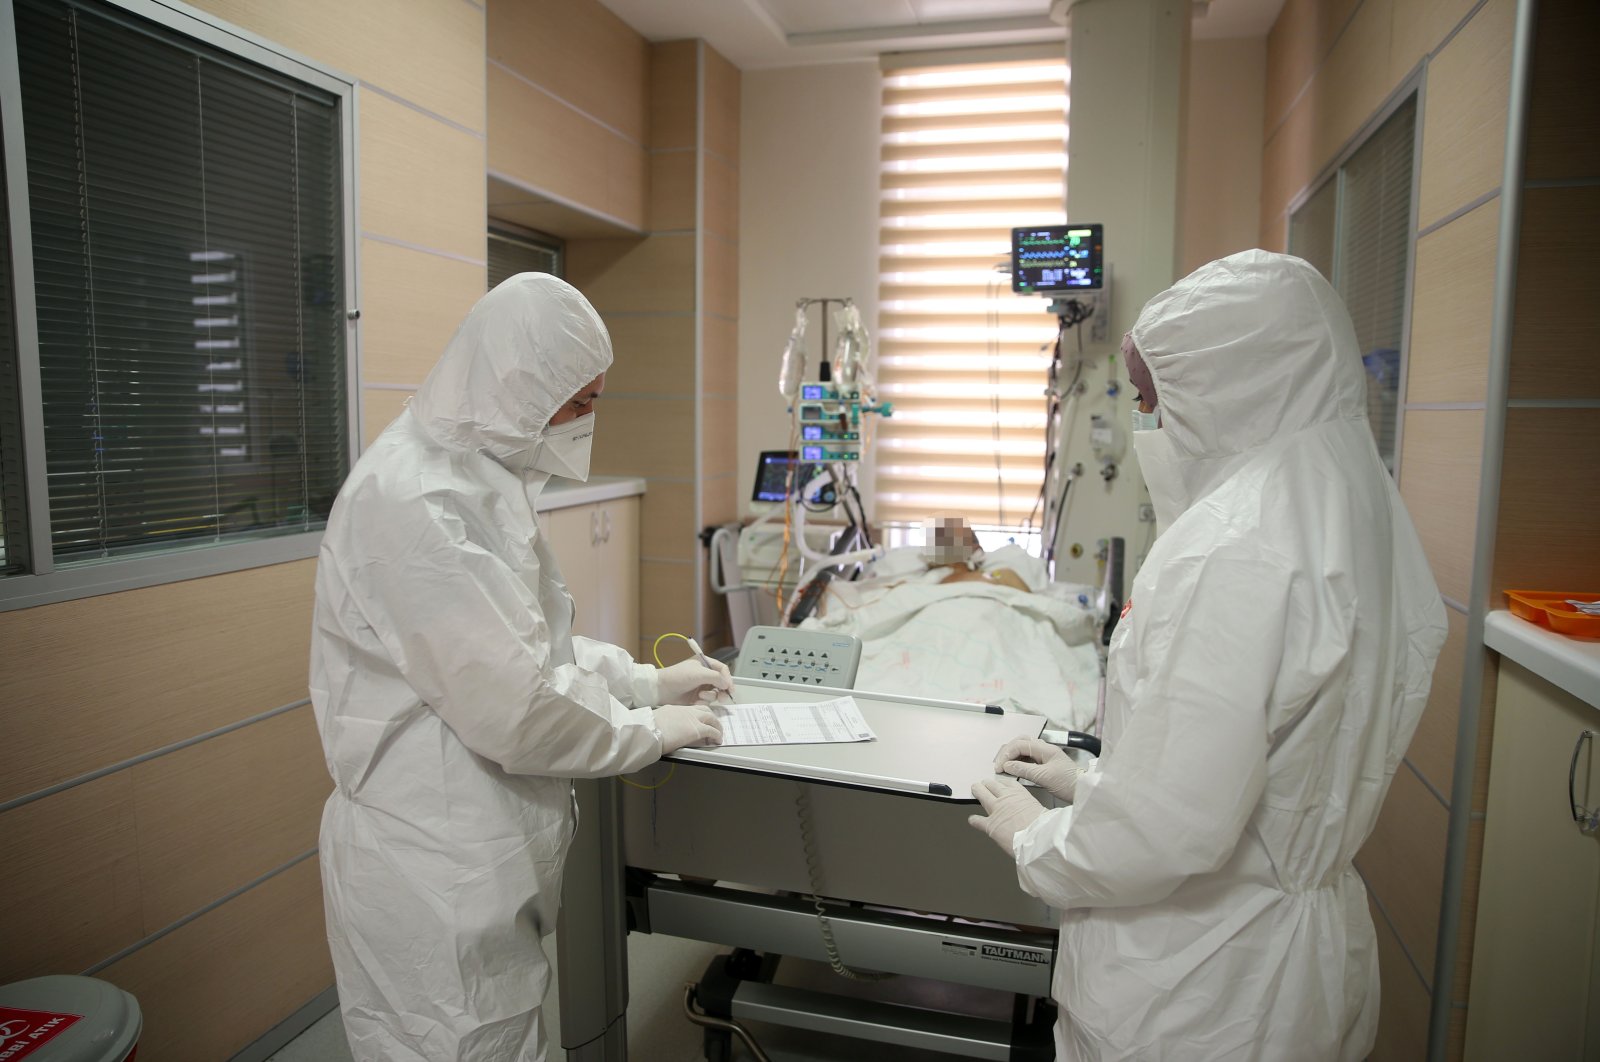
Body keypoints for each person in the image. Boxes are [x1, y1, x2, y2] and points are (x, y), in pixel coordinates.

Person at [968, 250, 1447, 1060]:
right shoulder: (1353, 504)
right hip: (1290, 953)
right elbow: (1261, 766)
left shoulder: (1233, 546)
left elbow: (1167, 831)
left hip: (1197, 986)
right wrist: (1091, 783)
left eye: (1157, 400)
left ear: (1229, 386)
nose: (1148, 423)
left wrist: (1037, 838)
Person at [309, 273, 731, 1062]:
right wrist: (648, 730)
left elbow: (528, 643)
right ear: (514, 387)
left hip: (471, 853)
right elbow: (518, 706)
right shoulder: (415, 502)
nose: (585, 421)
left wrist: (643, 680)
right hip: (432, 869)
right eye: (577, 402)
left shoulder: (475, 479)